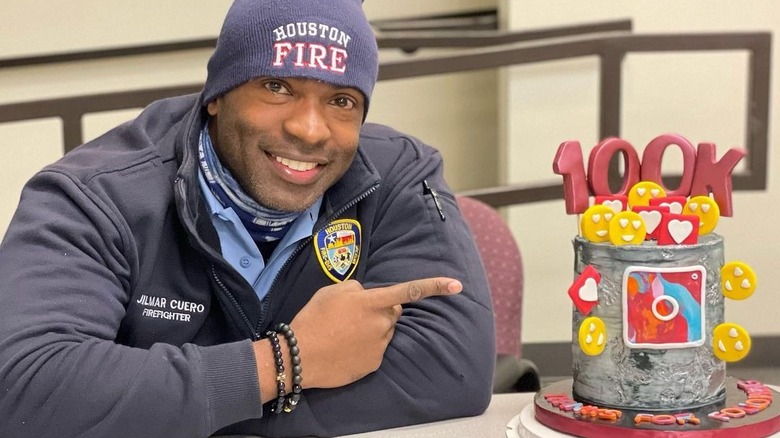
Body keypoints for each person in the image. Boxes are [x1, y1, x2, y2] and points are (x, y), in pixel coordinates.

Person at [0, 1, 495, 437]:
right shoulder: (94, 194)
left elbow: (452, 371)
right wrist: (282, 364)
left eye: (342, 101)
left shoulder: (400, 172)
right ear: (216, 95)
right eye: (277, 87)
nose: (309, 128)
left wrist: (169, 409)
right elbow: (23, 388)